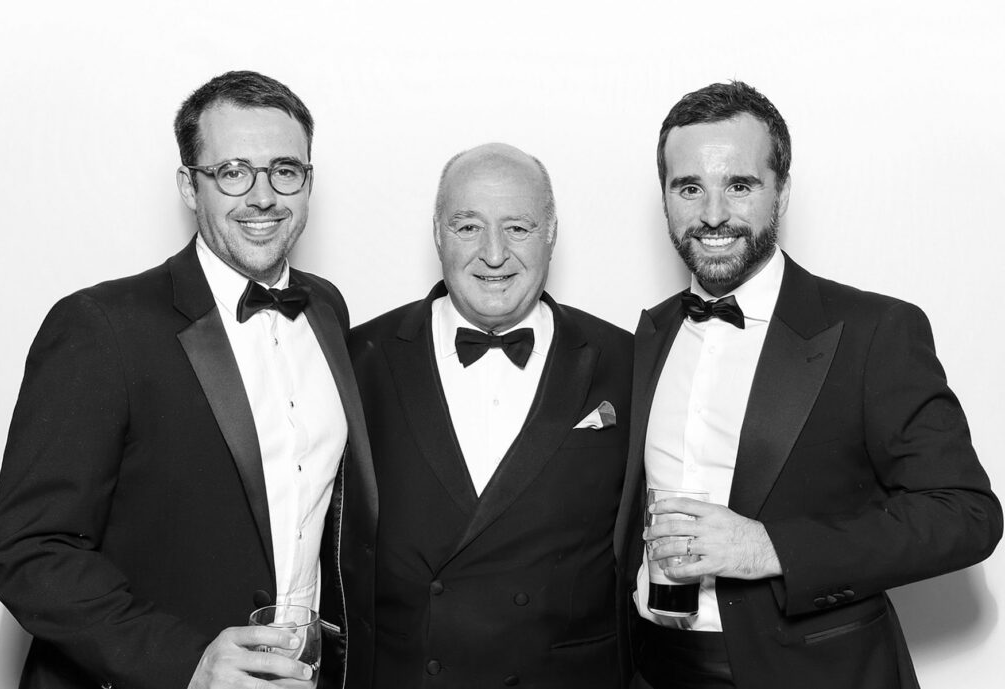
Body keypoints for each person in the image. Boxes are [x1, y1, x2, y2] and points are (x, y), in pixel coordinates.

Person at [0, 70, 376, 689]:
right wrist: (185, 662)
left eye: (285, 170)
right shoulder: (100, 328)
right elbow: (29, 549)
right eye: (233, 172)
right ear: (190, 187)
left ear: (308, 182)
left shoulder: (326, 309)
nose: (263, 196)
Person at [618, 81, 1002, 689]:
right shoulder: (649, 334)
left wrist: (768, 548)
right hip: (653, 669)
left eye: (739, 185)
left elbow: (966, 515)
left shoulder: (875, 331)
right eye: (689, 188)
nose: (712, 214)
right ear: (664, 195)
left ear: (782, 191)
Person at [349, 143, 633, 688]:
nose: (494, 254)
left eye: (518, 228)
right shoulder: (357, 359)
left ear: (552, 234)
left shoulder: (626, 361)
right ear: (438, 234)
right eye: (468, 227)